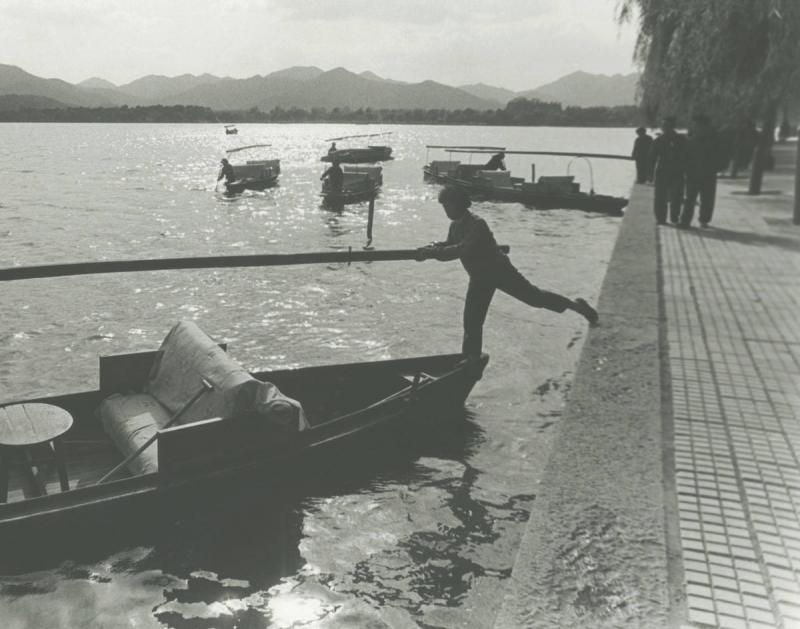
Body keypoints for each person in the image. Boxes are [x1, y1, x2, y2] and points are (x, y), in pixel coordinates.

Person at [416, 186, 598, 361]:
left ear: (459, 204)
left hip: (499, 271)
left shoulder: (477, 224)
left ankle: (577, 306)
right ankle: (470, 358)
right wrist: (432, 247)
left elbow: (460, 250)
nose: (446, 211)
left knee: (535, 298)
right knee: (472, 321)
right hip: (480, 277)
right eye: (444, 207)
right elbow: (449, 245)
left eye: (448, 206)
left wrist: (432, 253)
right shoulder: (455, 225)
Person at [679, 114, 722, 228]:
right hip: (701, 173)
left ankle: (692, 220)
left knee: (697, 198)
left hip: (701, 172)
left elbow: (686, 155)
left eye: (696, 124)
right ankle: (696, 220)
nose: (695, 126)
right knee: (700, 198)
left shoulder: (698, 139)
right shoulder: (712, 138)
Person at [650, 116, 686, 225]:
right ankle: (661, 218)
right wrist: (649, 174)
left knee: (677, 196)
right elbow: (652, 158)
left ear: (672, 126)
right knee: (660, 196)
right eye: (663, 126)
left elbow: (687, 156)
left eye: (667, 126)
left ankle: (674, 217)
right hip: (662, 171)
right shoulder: (658, 141)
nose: (664, 128)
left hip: (677, 171)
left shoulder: (681, 140)